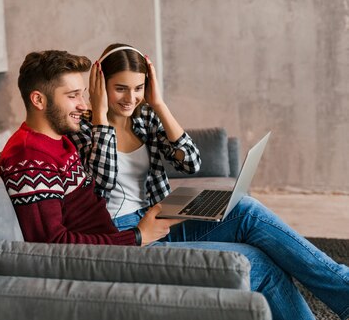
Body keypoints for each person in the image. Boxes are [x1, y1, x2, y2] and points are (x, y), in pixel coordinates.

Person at [67, 43, 349, 320]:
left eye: (138, 88)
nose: (131, 98)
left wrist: (159, 104)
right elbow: (102, 182)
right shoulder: (82, 129)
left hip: (159, 215)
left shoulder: (144, 120)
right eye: (121, 88)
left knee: (245, 209)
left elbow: (191, 162)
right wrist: (102, 117)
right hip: (125, 234)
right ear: (100, 84)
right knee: (259, 263)